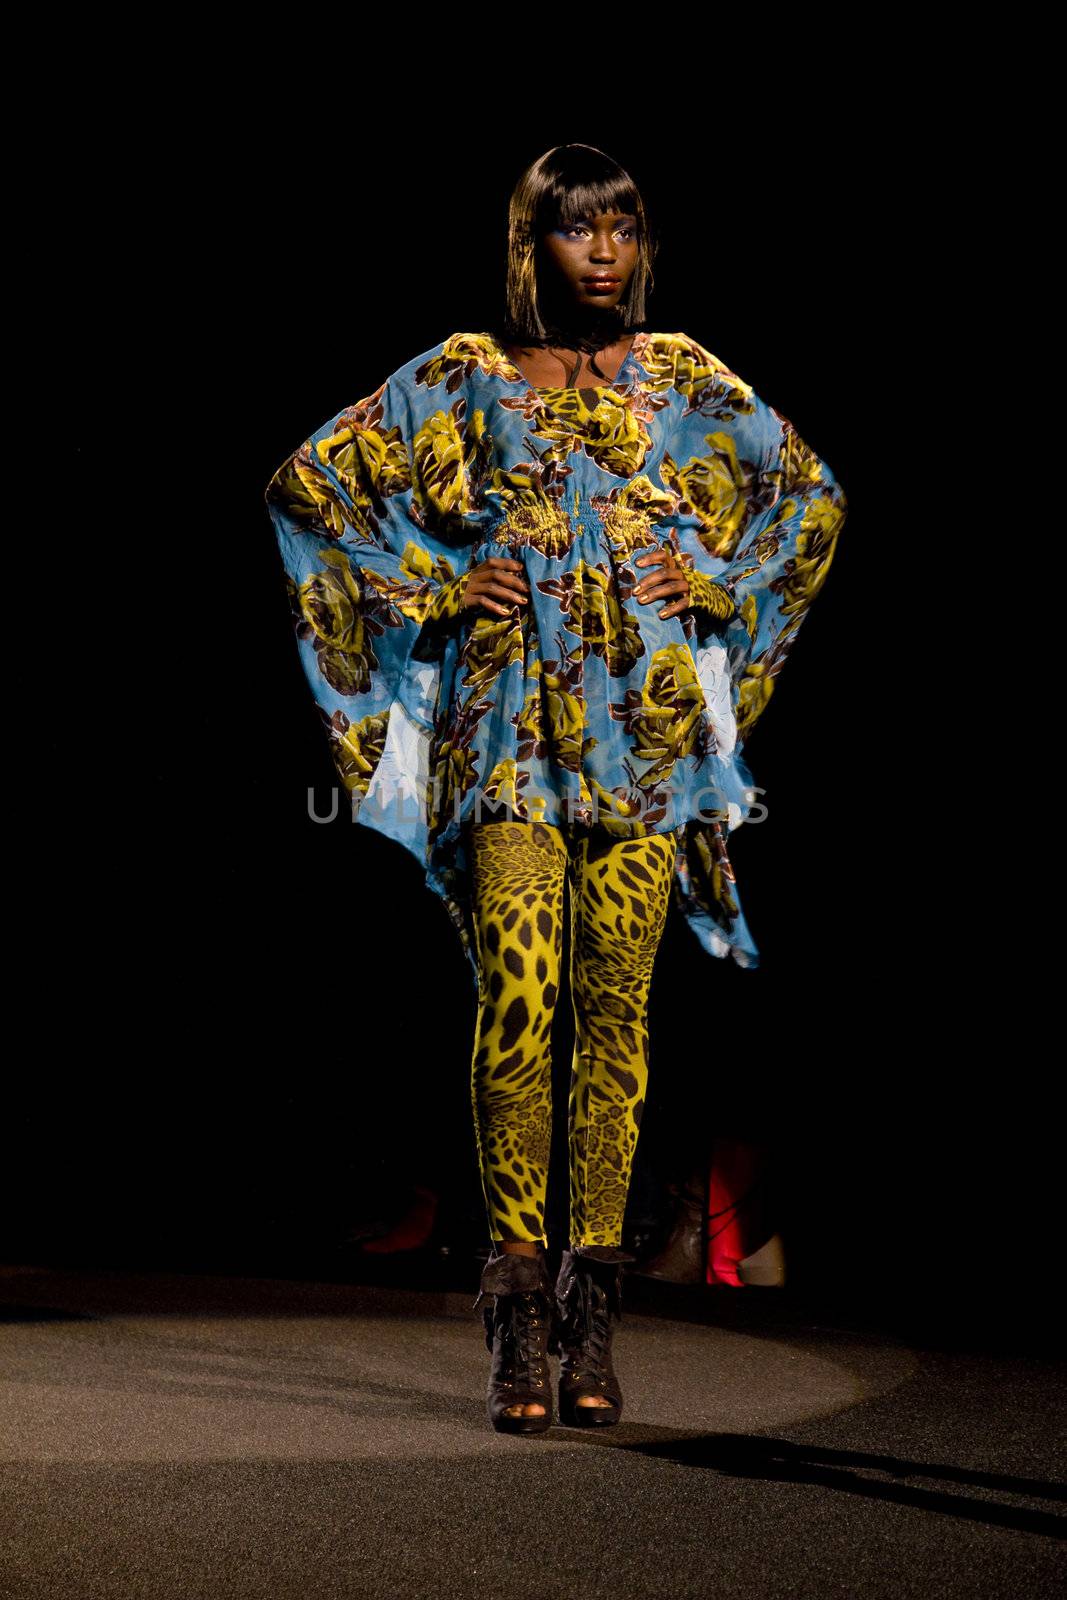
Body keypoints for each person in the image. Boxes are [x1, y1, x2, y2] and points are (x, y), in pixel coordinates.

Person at [264, 143, 848, 1435]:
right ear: (531, 244)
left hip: (637, 739)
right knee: (521, 995)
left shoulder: (683, 378)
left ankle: (592, 1319)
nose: (603, 251)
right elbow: (308, 482)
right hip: (508, 729)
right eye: (576, 228)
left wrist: (715, 590)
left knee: (616, 1018)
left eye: (622, 228)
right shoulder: (468, 376)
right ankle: (514, 1314)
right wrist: (427, 586)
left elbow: (810, 499)